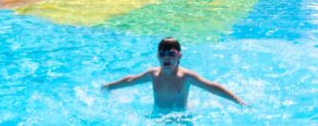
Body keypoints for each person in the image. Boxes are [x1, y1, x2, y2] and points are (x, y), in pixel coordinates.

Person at [102, 37, 246, 111]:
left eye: (171, 53)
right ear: (158, 56)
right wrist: (110, 86)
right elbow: (131, 80)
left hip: (181, 118)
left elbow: (212, 87)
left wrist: (237, 100)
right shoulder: (153, 74)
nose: (166, 57)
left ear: (179, 56)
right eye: (162, 53)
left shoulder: (187, 77)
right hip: (158, 117)